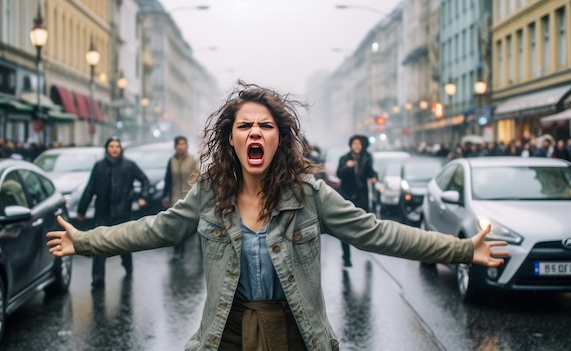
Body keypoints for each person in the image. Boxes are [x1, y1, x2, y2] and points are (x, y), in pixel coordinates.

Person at [47, 81, 508, 350]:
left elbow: (380, 233)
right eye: (244, 125)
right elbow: (154, 229)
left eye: (265, 126)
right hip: (225, 334)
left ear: (278, 139)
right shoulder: (209, 194)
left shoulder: (310, 195)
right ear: (231, 139)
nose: (254, 132)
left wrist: (464, 249)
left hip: (295, 335)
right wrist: (84, 241)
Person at [76, 136, 151, 289]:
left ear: (120, 149)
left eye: (117, 146)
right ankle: (97, 279)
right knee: (98, 244)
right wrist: (81, 210)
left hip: (122, 212)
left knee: (123, 243)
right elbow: (90, 189)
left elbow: (144, 180)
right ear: (107, 149)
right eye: (112, 146)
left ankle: (127, 266)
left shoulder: (129, 165)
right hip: (102, 212)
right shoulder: (99, 166)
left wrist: (143, 196)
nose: (115, 149)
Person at [336, 134, 377, 267]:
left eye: (359, 144)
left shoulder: (367, 157)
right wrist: (347, 167)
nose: (357, 147)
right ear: (350, 145)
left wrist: (374, 177)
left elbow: (371, 171)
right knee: (345, 227)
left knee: (365, 224)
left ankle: (367, 247)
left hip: (361, 196)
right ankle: (346, 256)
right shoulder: (344, 158)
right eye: (354, 144)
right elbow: (339, 174)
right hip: (347, 196)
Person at [162, 135, 197, 262]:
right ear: (175, 146)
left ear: (186, 146)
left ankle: (182, 250)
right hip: (175, 197)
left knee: (185, 225)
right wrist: (165, 195)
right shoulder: (172, 161)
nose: (181, 147)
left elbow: (197, 179)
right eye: (178, 144)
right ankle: (177, 251)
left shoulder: (192, 160)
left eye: (183, 144)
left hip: (188, 198)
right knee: (176, 225)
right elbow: (168, 180)